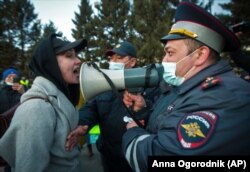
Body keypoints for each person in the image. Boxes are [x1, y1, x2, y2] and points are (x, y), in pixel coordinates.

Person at [121, 2, 250, 172]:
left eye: (170, 52)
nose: (164, 60)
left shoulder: (224, 97)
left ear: (200, 55)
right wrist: (143, 110)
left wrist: (133, 133)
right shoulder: (185, 84)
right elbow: (169, 120)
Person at [0, 33, 87, 172]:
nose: (78, 61)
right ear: (50, 63)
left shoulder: (61, 99)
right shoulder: (36, 109)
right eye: (69, 55)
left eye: (76, 55)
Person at [66, 41, 137, 172]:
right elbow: (90, 108)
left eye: (119, 58)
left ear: (132, 62)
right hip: (110, 159)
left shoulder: (148, 87)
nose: (113, 61)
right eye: (111, 58)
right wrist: (82, 124)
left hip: (137, 158)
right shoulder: (102, 86)